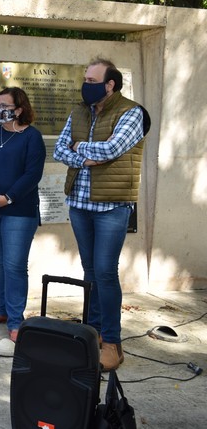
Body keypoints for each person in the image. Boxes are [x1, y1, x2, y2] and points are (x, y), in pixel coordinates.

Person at [54, 58, 147, 371]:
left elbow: (111, 150)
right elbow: (58, 150)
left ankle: (112, 343)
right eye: (85, 78)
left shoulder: (131, 112)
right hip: (80, 204)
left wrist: (79, 148)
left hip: (111, 206)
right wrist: (86, 155)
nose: (86, 84)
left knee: (105, 272)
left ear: (110, 84)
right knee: (90, 270)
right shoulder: (80, 109)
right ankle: (91, 333)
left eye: (93, 80)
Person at [0, 87, 45, 355]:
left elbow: (32, 175)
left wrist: (7, 198)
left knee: (14, 266)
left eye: (5, 104)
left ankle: (16, 320)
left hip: (18, 211)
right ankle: (2, 310)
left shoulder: (32, 138)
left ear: (19, 109)